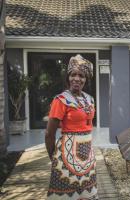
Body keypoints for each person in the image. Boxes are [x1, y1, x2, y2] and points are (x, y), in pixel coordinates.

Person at [45, 54, 98, 199]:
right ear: (68, 77)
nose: (77, 79)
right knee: (66, 193)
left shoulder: (90, 99)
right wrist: (54, 158)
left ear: (86, 79)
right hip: (65, 157)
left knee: (88, 191)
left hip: (87, 155)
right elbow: (49, 134)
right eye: (73, 74)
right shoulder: (61, 100)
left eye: (81, 75)